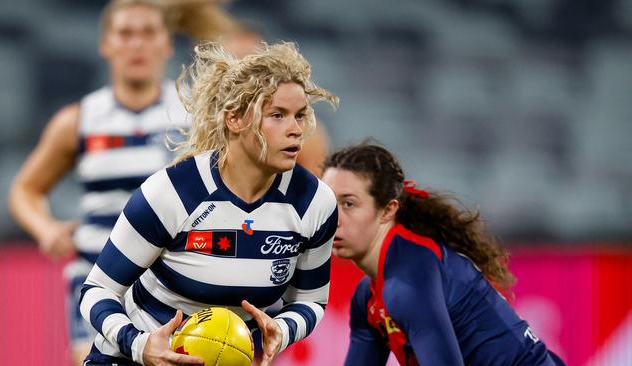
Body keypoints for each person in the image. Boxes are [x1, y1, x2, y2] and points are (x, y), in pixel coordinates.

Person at [79, 41, 339, 366]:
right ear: (235, 120)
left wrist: (282, 329)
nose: (296, 130)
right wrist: (139, 345)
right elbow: (95, 291)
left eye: (300, 115)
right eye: (277, 115)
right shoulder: (172, 193)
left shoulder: (315, 203)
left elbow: (312, 302)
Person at [8, 1, 188, 364]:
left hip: (170, 281)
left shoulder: (193, 114)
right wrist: (46, 229)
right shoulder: (79, 120)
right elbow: (25, 190)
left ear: (167, 44)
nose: (137, 44)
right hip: (97, 277)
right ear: (106, 44)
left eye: (148, 33)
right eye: (125, 34)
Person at [321, 143, 566, 366]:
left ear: (387, 210)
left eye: (349, 204)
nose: (334, 218)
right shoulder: (367, 298)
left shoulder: (407, 282)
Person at [219, 21, 333, 177]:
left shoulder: (302, 132)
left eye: (251, 61)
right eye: (234, 61)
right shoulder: (187, 121)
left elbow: (315, 190)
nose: (242, 72)